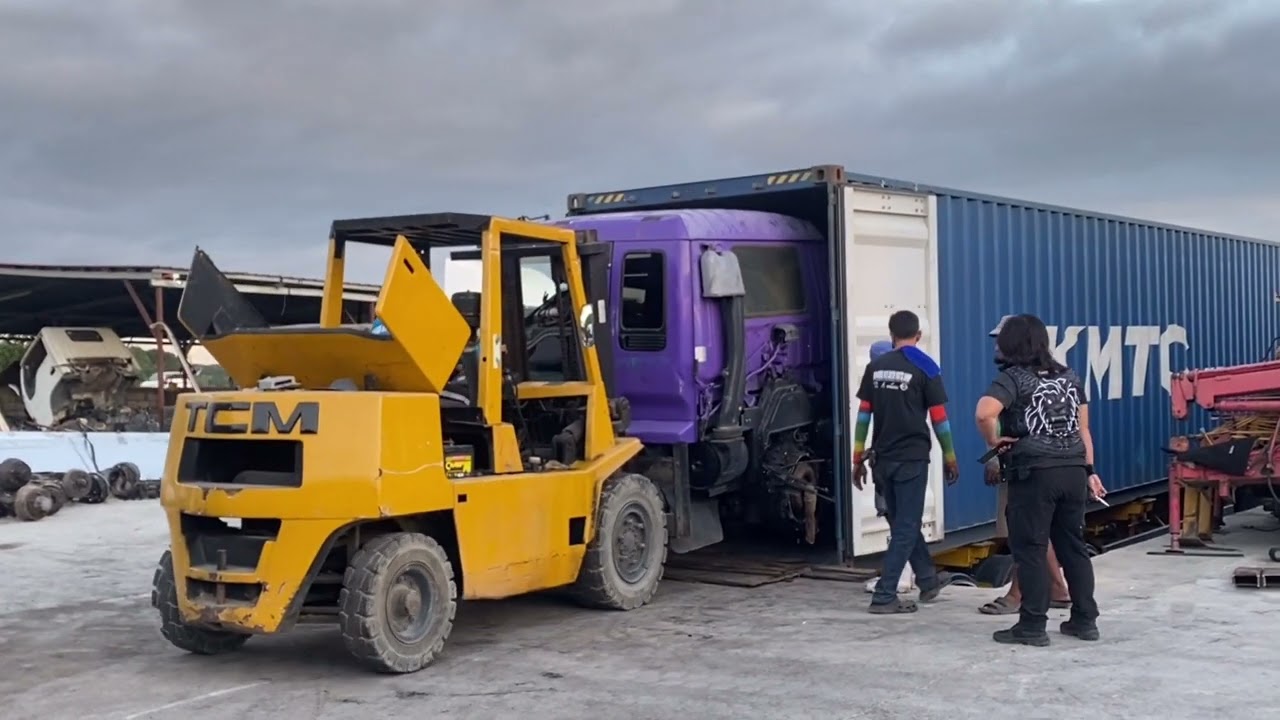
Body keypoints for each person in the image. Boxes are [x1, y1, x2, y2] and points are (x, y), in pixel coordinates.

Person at [975, 313, 1105, 646]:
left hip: (1035, 473)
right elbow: (1083, 429)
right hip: (1074, 470)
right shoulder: (1070, 376)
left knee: (1030, 548)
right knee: (1073, 547)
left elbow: (984, 412)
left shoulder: (1013, 378)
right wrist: (1090, 471)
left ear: (1011, 344)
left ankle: (1032, 626)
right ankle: (1084, 621)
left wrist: (993, 440)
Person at [854, 310, 960, 614]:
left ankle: (927, 580)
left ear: (891, 334)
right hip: (911, 459)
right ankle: (884, 595)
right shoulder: (926, 367)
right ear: (918, 335)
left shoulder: (876, 367)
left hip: (882, 460)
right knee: (906, 526)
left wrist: (857, 457)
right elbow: (940, 419)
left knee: (903, 523)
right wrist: (950, 457)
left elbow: (864, 415)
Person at [979, 316, 1074, 616]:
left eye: (1001, 339)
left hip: (1026, 466)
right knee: (1040, 531)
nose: (996, 345)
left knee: (1024, 532)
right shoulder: (1060, 375)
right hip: (1060, 464)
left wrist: (994, 451)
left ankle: (1019, 595)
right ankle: (1058, 589)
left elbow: (986, 415)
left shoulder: (1014, 379)